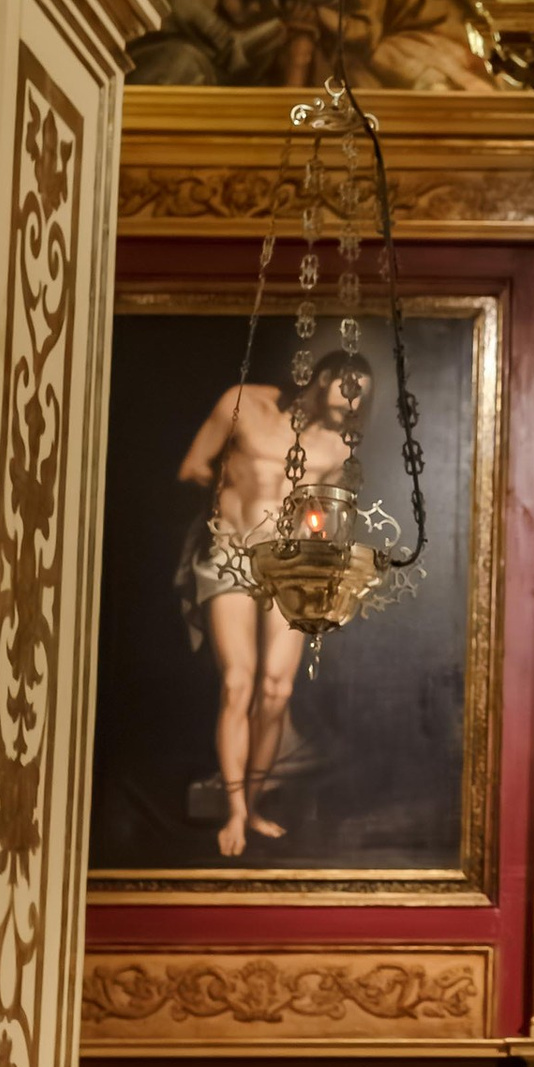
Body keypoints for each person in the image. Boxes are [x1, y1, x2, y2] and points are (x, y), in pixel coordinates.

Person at [174, 349, 377, 858]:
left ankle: (254, 803)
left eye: (361, 398)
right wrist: (227, 494)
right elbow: (192, 466)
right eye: (348, 389)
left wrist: (330, 553)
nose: (353, 404)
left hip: (287, 564)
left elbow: (326, 519)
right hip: (230, 555)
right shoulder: (243, 404)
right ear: (323, 377)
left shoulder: (337, 446)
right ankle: (237, 815)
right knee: (239, 681)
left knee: (276, 690)